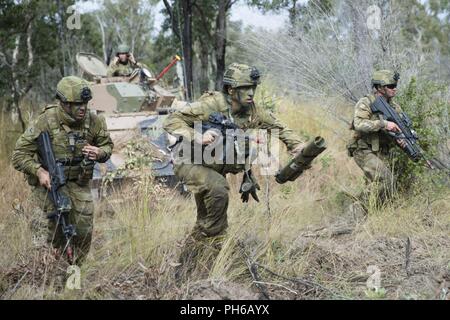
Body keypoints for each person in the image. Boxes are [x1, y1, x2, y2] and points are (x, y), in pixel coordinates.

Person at [163, 63, 306, 276]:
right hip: (188, 160)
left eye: (253, 88)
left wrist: (297, 145)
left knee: (207, 215)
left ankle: (188, 264)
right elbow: (171, 120)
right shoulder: (211, 104)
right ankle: (215, 248)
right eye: (245, 88)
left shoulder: (252, 111)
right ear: (231, 90)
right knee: (219, 190)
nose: (251, 93)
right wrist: (198, 136)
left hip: (212, 164)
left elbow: (279, 127)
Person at [11, 76, 114, 264]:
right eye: (77, 104)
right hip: (48, 188)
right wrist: (39, 172)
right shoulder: (45, 121)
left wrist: (100, 152)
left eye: (85, 103)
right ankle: (47, 277)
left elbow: (107, 146)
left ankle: (75, 273)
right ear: (64, 103)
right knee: (49, 234)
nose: (82, 108)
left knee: (82, 233)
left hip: (79, 185)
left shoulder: (94, 121)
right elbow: (19, 155)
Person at [347, 69, 407, 206]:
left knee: (383, 186)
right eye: (391, 86)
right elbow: (359, 124)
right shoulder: (366, 103)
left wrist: (401, 139)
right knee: (386, 180)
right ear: (379, 87)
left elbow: (398, 129)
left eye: (395, 86)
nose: (395, 89)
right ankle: (357, 208)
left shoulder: (394, 107)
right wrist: (383, 124)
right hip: (364, 149)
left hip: (382, 151)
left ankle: (371, 215)